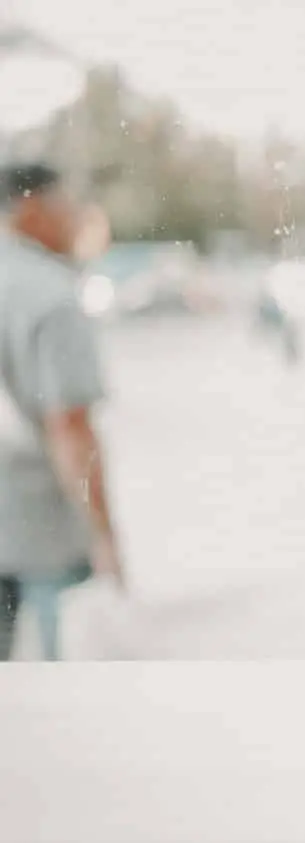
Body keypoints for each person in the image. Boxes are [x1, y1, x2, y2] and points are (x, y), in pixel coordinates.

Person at [0, 163, 121, 661]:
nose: (75, 220)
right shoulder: (46, 292)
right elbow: (70, 427)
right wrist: (106, 537)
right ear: (31, 208)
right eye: (66, 207)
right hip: (35, 533)